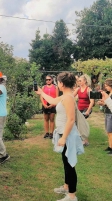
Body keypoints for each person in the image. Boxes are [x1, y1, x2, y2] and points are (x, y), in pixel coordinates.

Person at [35, 72, 84, 201]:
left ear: (62, 83)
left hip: (68, 135)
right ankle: (67, 187)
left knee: (70, 165)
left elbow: (71, 119)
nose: (57, 84)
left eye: (58, 82)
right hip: (64, 133)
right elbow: (52, 100)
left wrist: (63, 138)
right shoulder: (65, 96)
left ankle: (72, 196)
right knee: (66, 162)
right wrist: (41, 93)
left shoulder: (68, 98)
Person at [97, 78, 112, 155]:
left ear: (111, 86)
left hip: (111, 115)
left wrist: (104, 104)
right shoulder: (109, 94)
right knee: (108, 131)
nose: (105, 87)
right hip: (107, 114)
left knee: (110, 132)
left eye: (106, 86)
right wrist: (102, 102)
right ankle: (110, 146)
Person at [73, 74, 94, 146]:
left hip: (86, 109)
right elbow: (71, 96)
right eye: (78, 81)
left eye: (80, 81)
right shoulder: (78, 89)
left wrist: (88, 111)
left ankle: (85, 141)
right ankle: (82, 139)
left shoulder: (88, 89)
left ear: (85, 81)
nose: (79, 82)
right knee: (78, 124)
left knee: (81, 124)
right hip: (79, 109)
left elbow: (92, 102)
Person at [41, 75, 59, 139]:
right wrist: (44, 104)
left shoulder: (55, 87)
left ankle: (51, 133)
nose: (48, 81)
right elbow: (41, 96)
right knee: (46, 119)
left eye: (49, 79)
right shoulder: (44, 87)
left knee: (52, 119)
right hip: (45, 104)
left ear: (52, 80)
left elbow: (57, 97)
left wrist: (53, 104)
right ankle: (46, 133)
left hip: (53, 105)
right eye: (46, 80)